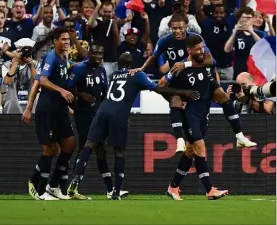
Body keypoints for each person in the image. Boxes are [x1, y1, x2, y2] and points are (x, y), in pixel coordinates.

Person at [67, 52, 200, 200]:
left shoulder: (114, 75)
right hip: (118, 115)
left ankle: (76, 179)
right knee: (118, 152)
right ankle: (116, 192)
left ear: (118, 65)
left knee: (89, 145)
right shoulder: (137, 75)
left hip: (102, 111)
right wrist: (183, 92)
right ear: (132, 66)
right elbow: (158, 89)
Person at [137, 12, 255, 153]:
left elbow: (210, 61)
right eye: (174, 28)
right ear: (170, 28)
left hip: (199, 75)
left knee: (222, 95)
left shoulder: (195, 39)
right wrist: (142, 69)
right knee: (169, 94)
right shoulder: (164, 41)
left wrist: (185, 64)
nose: (178, 31)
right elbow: (153, 56)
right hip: (178, 77)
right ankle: (180, 140)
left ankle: (240, 137)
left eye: (180, 27)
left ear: (186, 26)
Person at [163, 35, 229, 200]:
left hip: (203, 113)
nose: (202, 51)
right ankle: (209, 190)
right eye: (198, 48)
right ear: (189, 50)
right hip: (189, 115)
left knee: (191, 151)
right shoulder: (178, 68)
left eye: (203, 47)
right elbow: (162, 86)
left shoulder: (205, 62)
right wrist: (178, 98)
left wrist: (216, 89)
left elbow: (212, 67)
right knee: (200, 148)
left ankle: (173, 187)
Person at [67, 44, 128, 199]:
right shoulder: (80, 68)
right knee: (86, 146)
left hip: (99, 114)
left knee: (101, 150)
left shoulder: (101, 70)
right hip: (83, 113)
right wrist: (82, 95)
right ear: (89, 53)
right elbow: (68, 88)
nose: (98, 56)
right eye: (95, 53)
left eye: (101, 53)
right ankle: (74, 185)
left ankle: (109, 189)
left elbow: (106, 91)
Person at [28, 28, 76, 201]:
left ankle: (53, 186)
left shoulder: (64, 58)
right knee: (49, 149)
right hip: (47, 109)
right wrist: (61, 91)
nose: (66, 42)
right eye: (63, 39)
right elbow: (41, 80)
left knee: (70, 144)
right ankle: (39, 190)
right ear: (55, 41)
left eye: (68, 39)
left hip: (60, 109)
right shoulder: (50, 56)